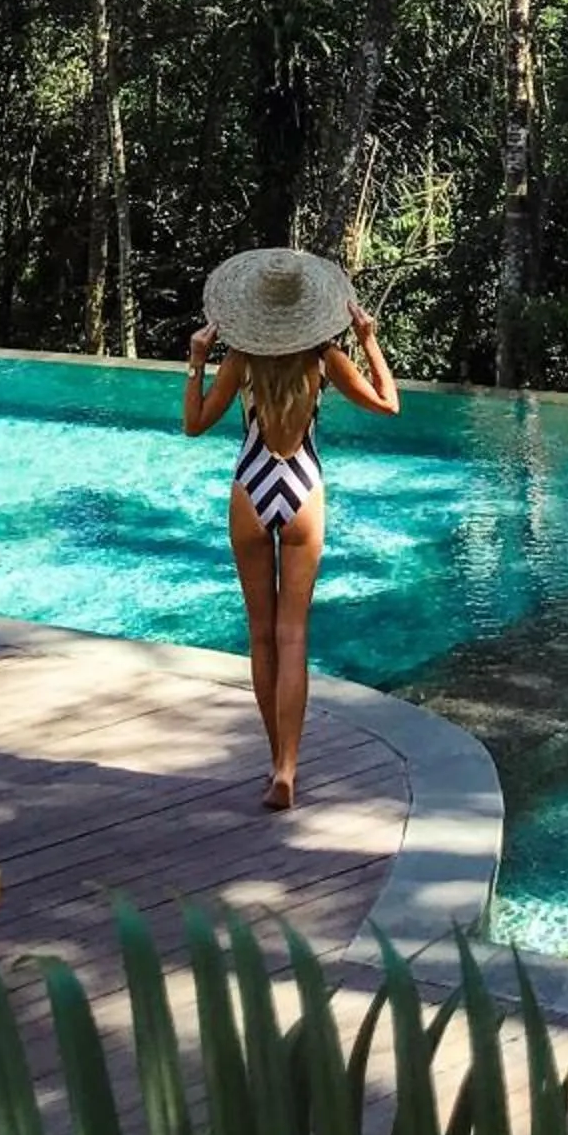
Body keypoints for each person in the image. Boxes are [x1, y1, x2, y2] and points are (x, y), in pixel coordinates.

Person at [183, 245, 399, 811]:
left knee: (260, 635)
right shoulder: (324, 359)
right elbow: (388, 404)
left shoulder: (241, 360)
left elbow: (194, 424)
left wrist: (198, 358)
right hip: (301, 486)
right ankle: (288, 769)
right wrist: (370, 338)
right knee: (293, 637)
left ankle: (273, 758)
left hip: (251, 487)